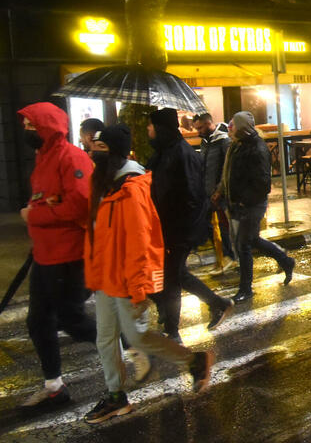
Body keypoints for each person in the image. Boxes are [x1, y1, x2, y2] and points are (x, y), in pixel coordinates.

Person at [82, 124, 214, 423]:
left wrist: (140, 287)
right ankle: (116, 396)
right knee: (106, 339)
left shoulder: (131, 188)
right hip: (105, 276)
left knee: (138, 337)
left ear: (115, 152)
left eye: (100, 149)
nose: (93, 153)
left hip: (127, 281)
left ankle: (194, 361)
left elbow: (143, 242)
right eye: (93, 148)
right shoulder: (104, 183)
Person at [17, 103, 98, 409]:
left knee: (71, 319)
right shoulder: (43, 157)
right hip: (45, 254)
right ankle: (54, 388)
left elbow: (79, 205)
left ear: (46, 128)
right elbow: (44, 198)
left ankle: (132, 346)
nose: (26, 131)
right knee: (38, 321)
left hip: (67, 254)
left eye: (30, 126)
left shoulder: (71, 157)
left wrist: (34, 216)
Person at [147, 109, 234, 337]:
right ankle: (215, 304)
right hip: (168, 226)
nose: (148, 131)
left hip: (180, 227)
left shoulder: (181, 153)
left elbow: (190, 194)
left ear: (160, 129)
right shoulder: (165, 152)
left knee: (173, 277)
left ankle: (172, 329)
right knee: (175, 275)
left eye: (150, 127)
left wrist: (183, 227)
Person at [216, 111, 296, 304]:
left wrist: (244, 200)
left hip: (252, 204)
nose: (229, 128)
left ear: (242, 127)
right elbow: (228, 172)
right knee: (251, 240)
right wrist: (221, 189)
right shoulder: (236, 145)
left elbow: (263, 184)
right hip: (238, 202)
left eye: (233, 125)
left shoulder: (257, 148)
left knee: (243, 244)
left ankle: (246, 289)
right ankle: (285, 260)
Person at [192, 113, 236, 275]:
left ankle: (229, 256)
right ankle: (222, 258)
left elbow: (227, 168)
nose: (198, 131)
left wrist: (219, 190)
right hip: (208, 192)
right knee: (211, 226)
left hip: (220, 193)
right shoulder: (206, 141)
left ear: (209, 123)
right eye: (196, 128)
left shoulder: (223, 140)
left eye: (201, 127)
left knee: (223, 226)